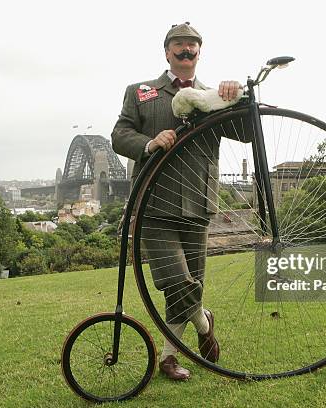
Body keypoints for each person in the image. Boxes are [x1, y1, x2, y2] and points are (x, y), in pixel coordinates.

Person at [111, 22, 241, 381]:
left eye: (193, 45)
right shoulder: (141, 92)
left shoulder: (212, 97)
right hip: (155, 205)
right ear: (167, 52)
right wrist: (150, 143)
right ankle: (204, 323)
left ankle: (169, 358)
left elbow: (246, 133)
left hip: (198, 204)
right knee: (179, 282)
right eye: (179, 45)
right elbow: (119, 136)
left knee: (187, 286)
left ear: (200, 51)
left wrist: (236, 96)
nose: (186, 50)